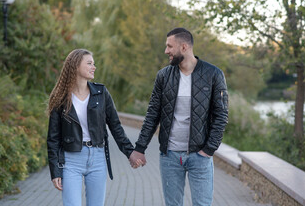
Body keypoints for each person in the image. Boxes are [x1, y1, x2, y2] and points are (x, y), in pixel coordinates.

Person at [129, 27, 228, 206]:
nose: (166, 51)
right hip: (170, 156)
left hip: (200, 156)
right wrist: (140, 148)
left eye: (169, 46)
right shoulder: (163, 76)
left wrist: (208, 150)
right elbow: (152, 115)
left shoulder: (213, 74)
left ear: (184, 47)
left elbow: (221, 115)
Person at [47, 49, 135, 206]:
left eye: (94, 63)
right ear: (75, 66)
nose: (94, 67)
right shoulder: (60, 97)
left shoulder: (101, 93)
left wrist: (130, 153)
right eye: (89, 63)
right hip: (70, 160)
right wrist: (55, 171)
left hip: (97, 158)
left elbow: (115, 126)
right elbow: (53, 138)